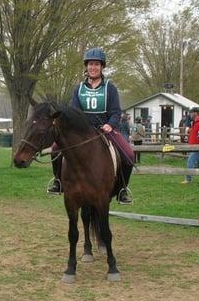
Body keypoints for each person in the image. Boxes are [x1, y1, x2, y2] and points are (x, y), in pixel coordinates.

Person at [47, 47, 134, 205]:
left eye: (96, 64)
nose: (93, 67)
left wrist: (110, 124)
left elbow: (116, 112)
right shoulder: (79, 89)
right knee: (54, 149)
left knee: (129, 155)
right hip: (83, 131)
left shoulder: (110, 88)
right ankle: (58, 181)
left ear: (102, 67)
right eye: (90, 64)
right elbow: (74, 112)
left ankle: (122, 189)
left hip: (105, 130)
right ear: (86, 67)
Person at [181, 107, 199, 184]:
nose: (189, 114)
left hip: (198, 146)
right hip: (194, 146)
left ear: (195, 113)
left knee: (190, 162)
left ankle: (188, 179)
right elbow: (195, 133)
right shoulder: (195, 122)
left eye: (191, 112)